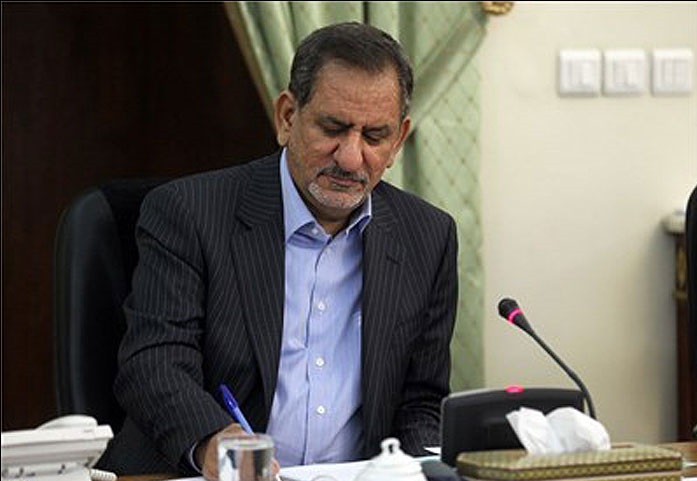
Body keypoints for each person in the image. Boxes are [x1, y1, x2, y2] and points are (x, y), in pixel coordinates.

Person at [96, 21, 459, 480]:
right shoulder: (188, 213)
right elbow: (154, 363)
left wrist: (413, 472)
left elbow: (422, 401)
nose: (351, 158)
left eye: (374, 137)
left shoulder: (428, 236)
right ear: (287, 117)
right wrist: (216, 444)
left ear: (398, 140)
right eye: (333, 128)